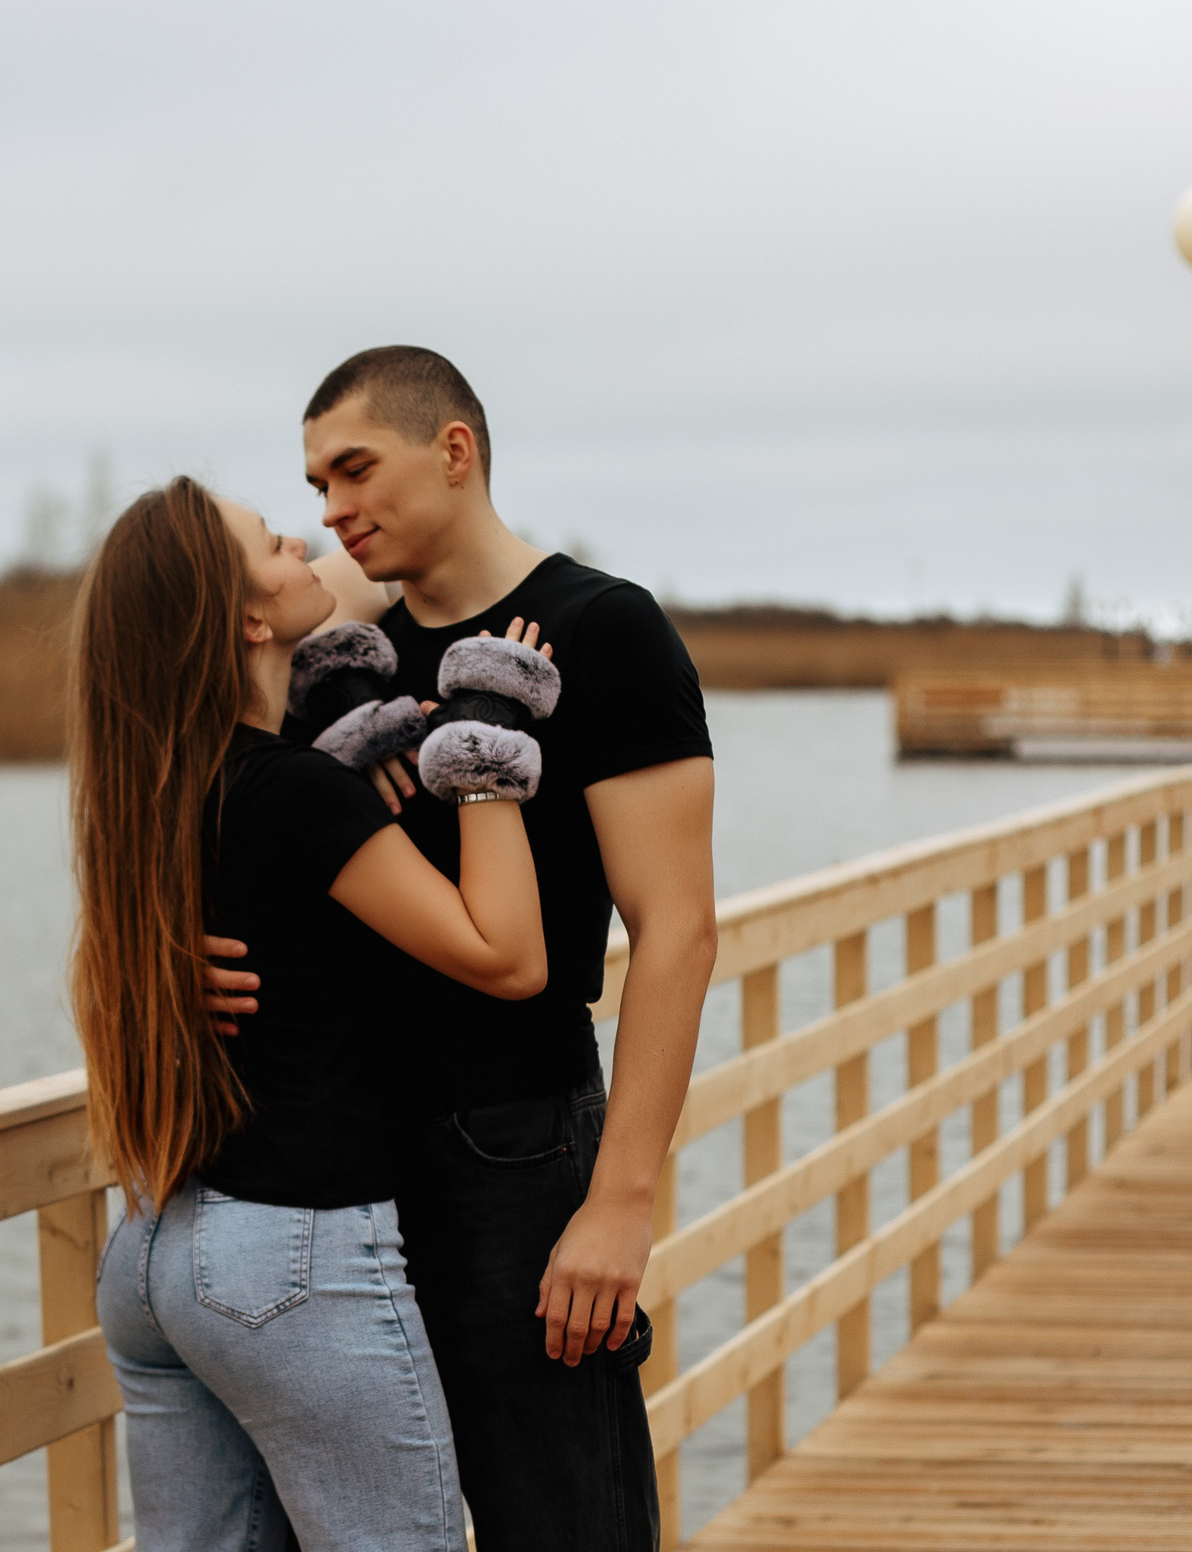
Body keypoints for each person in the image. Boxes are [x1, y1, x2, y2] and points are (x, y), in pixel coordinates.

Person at [207, 347, 718, 1551]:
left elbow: (678, 932)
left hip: (512, 1147)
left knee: (561, 1513)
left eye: (354, 469)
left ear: (454, 451)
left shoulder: (604, 630)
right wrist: (167, 946)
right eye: (313, 484)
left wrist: (621, 1199)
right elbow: (191, 792)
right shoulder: (311, 644)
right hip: (322, 1175)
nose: (329, 509)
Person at [70, 475, 561, 1552]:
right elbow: (508, 956)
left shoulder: (160, 784)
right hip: (292, 1255)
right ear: (248, 619)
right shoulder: (295, 791)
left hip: (159, 1251)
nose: (305, 542)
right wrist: (483, 744)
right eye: (274, 542)